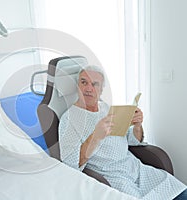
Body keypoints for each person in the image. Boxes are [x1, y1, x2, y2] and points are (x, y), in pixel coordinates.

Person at [58, 65, 187, 199]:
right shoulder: (69, 119)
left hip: (137, 170)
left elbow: (131, 140)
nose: (88, 88)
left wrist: (137, 126)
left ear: (101, 90)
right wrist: (95, 137)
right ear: (77, 85)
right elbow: (70, 166)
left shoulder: (106, 108)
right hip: (113, 177)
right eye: (84, 82)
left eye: (94, 84)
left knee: (179, 191)